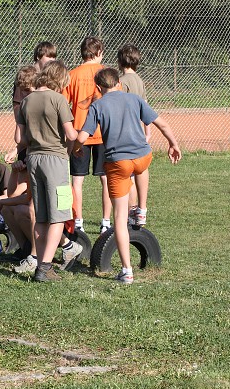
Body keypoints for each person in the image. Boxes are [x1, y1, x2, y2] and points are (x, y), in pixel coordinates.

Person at [74, 67, 181, 285]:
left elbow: (83, 136)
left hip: (118, 163)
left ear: (98, 88)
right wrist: (173, 143)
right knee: (141, 166)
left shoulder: (97, 105)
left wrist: (75, 147)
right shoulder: (134, 99)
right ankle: (141, 209)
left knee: (120, 220)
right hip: (142, 156)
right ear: (119, 84)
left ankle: (127, 270)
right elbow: (161, 123)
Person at [17, 60, 78, 282]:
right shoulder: (58, 99)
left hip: (33, 159)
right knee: (59, 215)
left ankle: (41, 263)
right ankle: (44, 267)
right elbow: (70, 135)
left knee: (41, 216)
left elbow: (19, 139)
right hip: (56, 161)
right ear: (59, 80)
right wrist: (75, 144)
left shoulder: (26, 100)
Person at [63, 36, 112, 234]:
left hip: (78, 133)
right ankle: (106, 222)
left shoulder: (72, 74)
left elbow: (63, 104)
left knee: (77, 180)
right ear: (98, 52)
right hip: (103, 133)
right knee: (106, 178)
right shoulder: (107, 74)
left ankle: (79, 221)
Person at [117, 43, 151, 223]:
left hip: (126, 131)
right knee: (140, 169)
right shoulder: (139, 80)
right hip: (139, 130)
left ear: (120, 61)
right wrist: (148, 130)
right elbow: (145, 107)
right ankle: (141, 210)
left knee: (127, 174)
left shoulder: (122, 82)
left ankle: (131, 210)